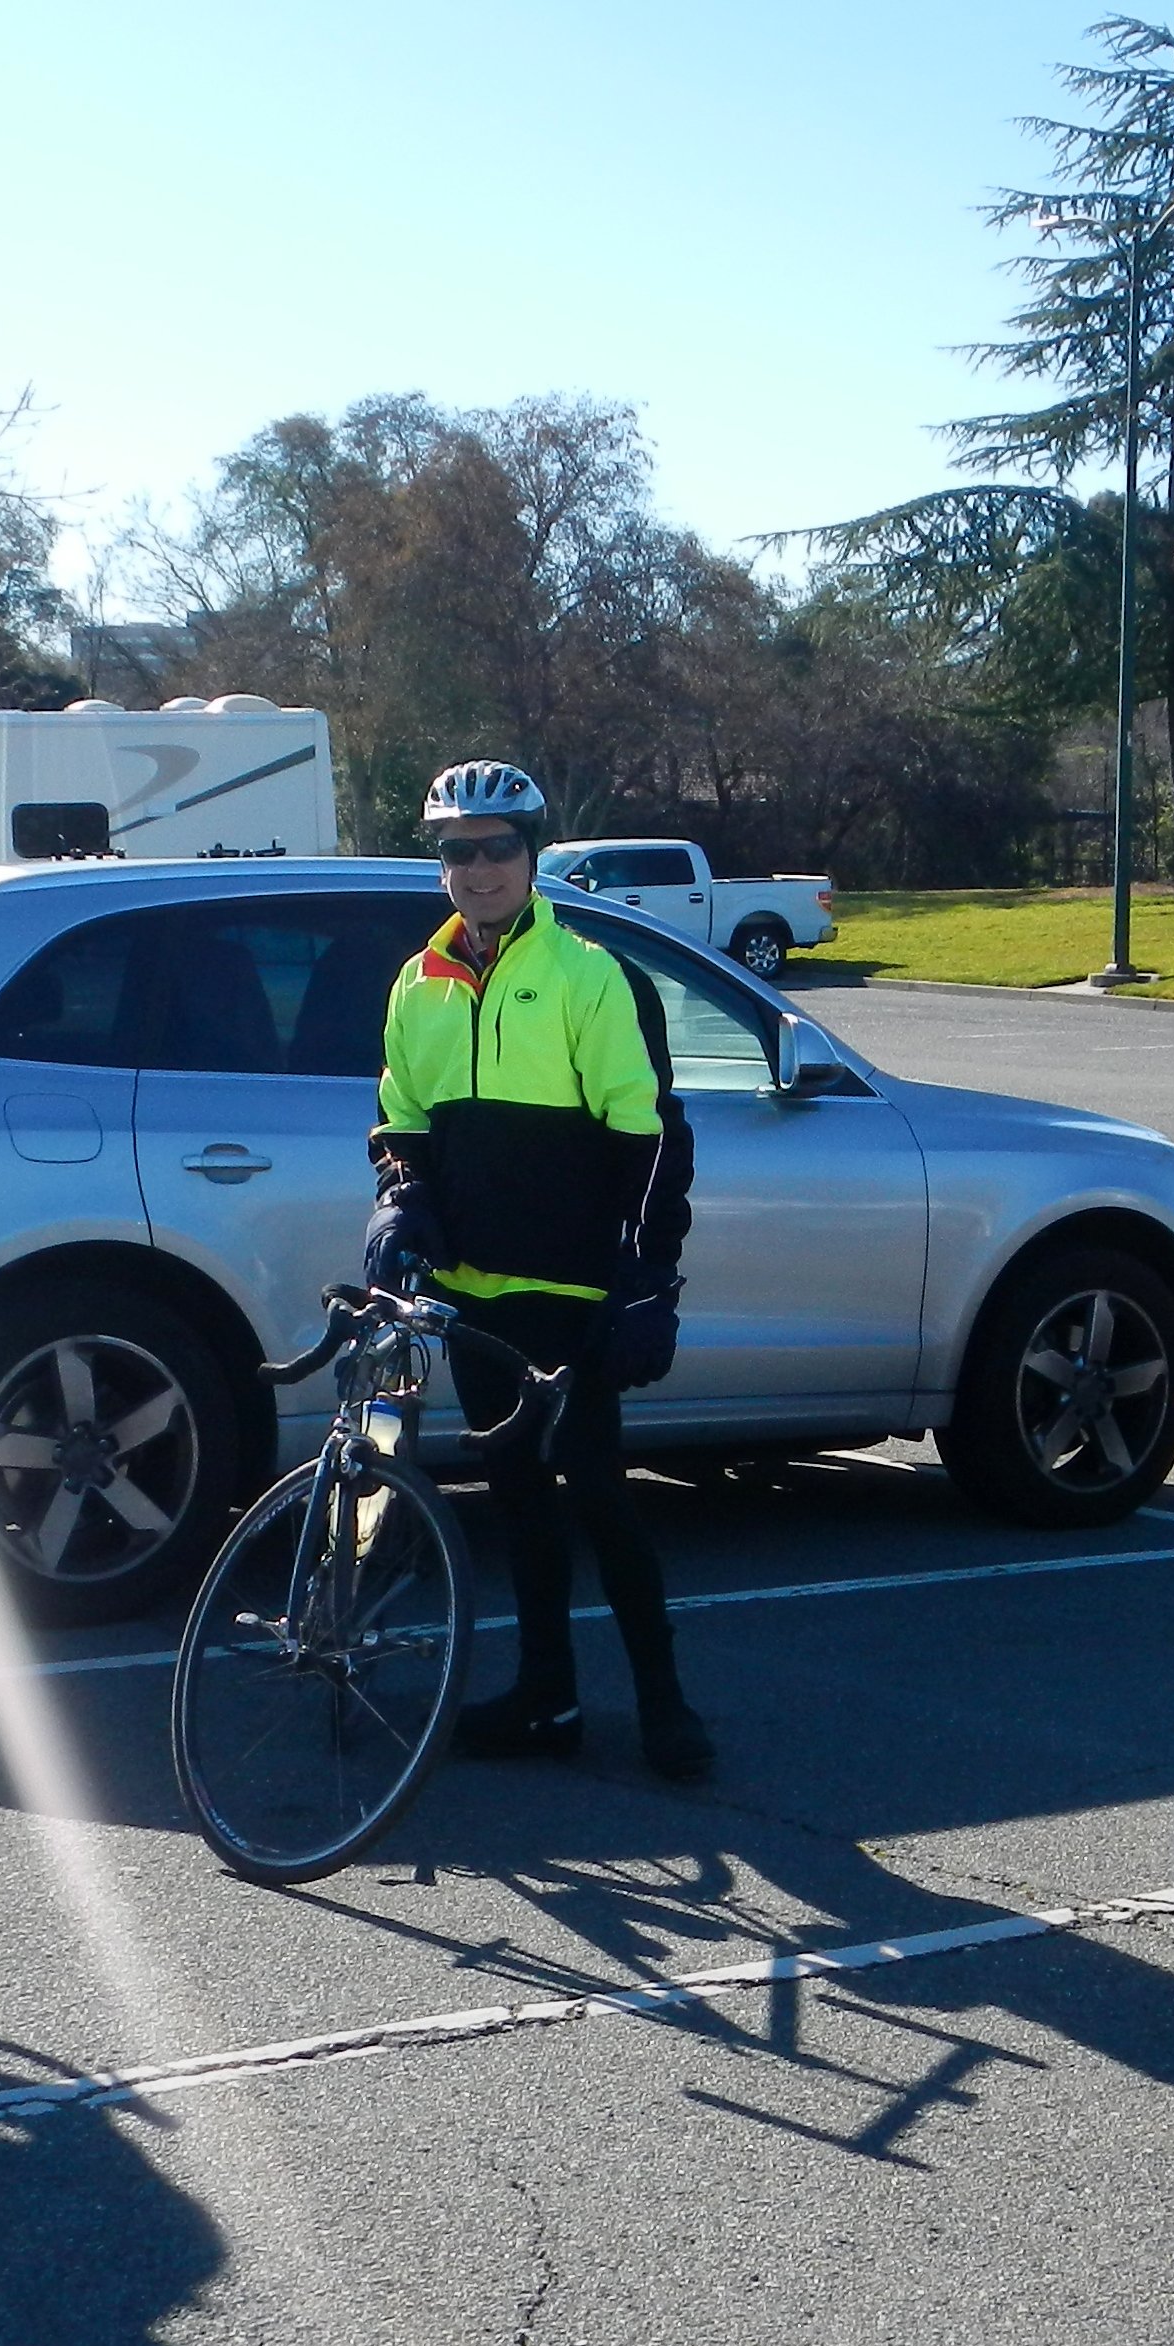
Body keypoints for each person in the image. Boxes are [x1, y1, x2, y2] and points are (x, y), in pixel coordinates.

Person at [368, 758, 708, 1781]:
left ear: (532, 855)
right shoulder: (419, 984)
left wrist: (649, 1279)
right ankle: (548, 1696)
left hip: (573, 1294)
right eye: (458, 852)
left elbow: (652, 1141)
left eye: (498, 849)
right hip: (473, 1294)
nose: (478, 869)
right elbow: (403, 1121)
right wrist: (402, 1196)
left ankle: (665, 1704)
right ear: (441, 864)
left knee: (599, 1491)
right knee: (515, 1494)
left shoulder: (593, 977)